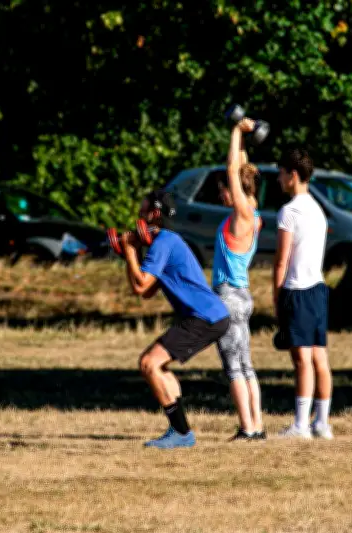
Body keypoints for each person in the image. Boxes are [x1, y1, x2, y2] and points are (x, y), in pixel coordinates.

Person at [121, 189, 230, 449]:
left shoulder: (164, 243)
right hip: (207, 315)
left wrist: (128, 250)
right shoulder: (166, 241)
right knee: (158, 366)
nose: (139, 213)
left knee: (149, 363)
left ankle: (181, 433)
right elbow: (143, 291)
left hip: (204, 316)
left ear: (154, 214)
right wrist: (132, 253)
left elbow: (142, 281)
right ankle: (180, 431)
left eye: (143, 208)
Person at [211, 117, 265, 441]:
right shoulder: (254, 210)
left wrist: (234, 130)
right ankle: (256, 425)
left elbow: (233, 171)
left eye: (225, 191)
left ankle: (247, 428)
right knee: (246, 365)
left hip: (229, 296)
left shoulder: (243, 215)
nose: (222, 195)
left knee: (234, 367)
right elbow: (240, 169)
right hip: (242, 295)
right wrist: (243, 139)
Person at [273, 147, 333, 439]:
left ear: (292, 175)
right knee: (319, 358)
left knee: (302, 360)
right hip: (318, 290)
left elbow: (282, 259)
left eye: (282, 174)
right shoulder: (318, 210)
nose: (279, 179)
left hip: (297, 290)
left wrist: (276, 296)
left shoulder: (290, 211)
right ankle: (321, 423)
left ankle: (300, 425)